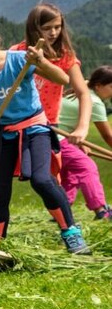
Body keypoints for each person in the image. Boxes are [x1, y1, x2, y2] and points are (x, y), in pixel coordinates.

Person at [0, 17, 89, 254]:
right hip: (3, 133)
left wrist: (41, 62)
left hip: (35, 129)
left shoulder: (18, 60)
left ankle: (71, 232)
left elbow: (63, 79)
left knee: (42, 180)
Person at [56, 65, 112, 221]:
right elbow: (108, 136)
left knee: (71, 173)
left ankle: (62, 210)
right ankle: (101, 210)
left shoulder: (76, 93)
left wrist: (81, 143)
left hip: (50, 137)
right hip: (58, 138)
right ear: (99, 85)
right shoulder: (94, 101)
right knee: (87, 167)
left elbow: (67, 120)